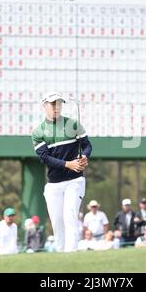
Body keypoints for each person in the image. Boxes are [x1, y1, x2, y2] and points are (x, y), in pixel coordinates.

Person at [31, 92, 92, 253]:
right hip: (54, 184)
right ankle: (60, 253)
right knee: (57, 221)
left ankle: (71, 252)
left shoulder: (73, 125)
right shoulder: (38, 132)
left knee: (70, 216)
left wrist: (85, 156)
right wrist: (68, 164)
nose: (56, 107)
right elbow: (45, 158)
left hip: (75, 181)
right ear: (44, 106)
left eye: (59, 104)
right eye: (52, 104)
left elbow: (87, 145)